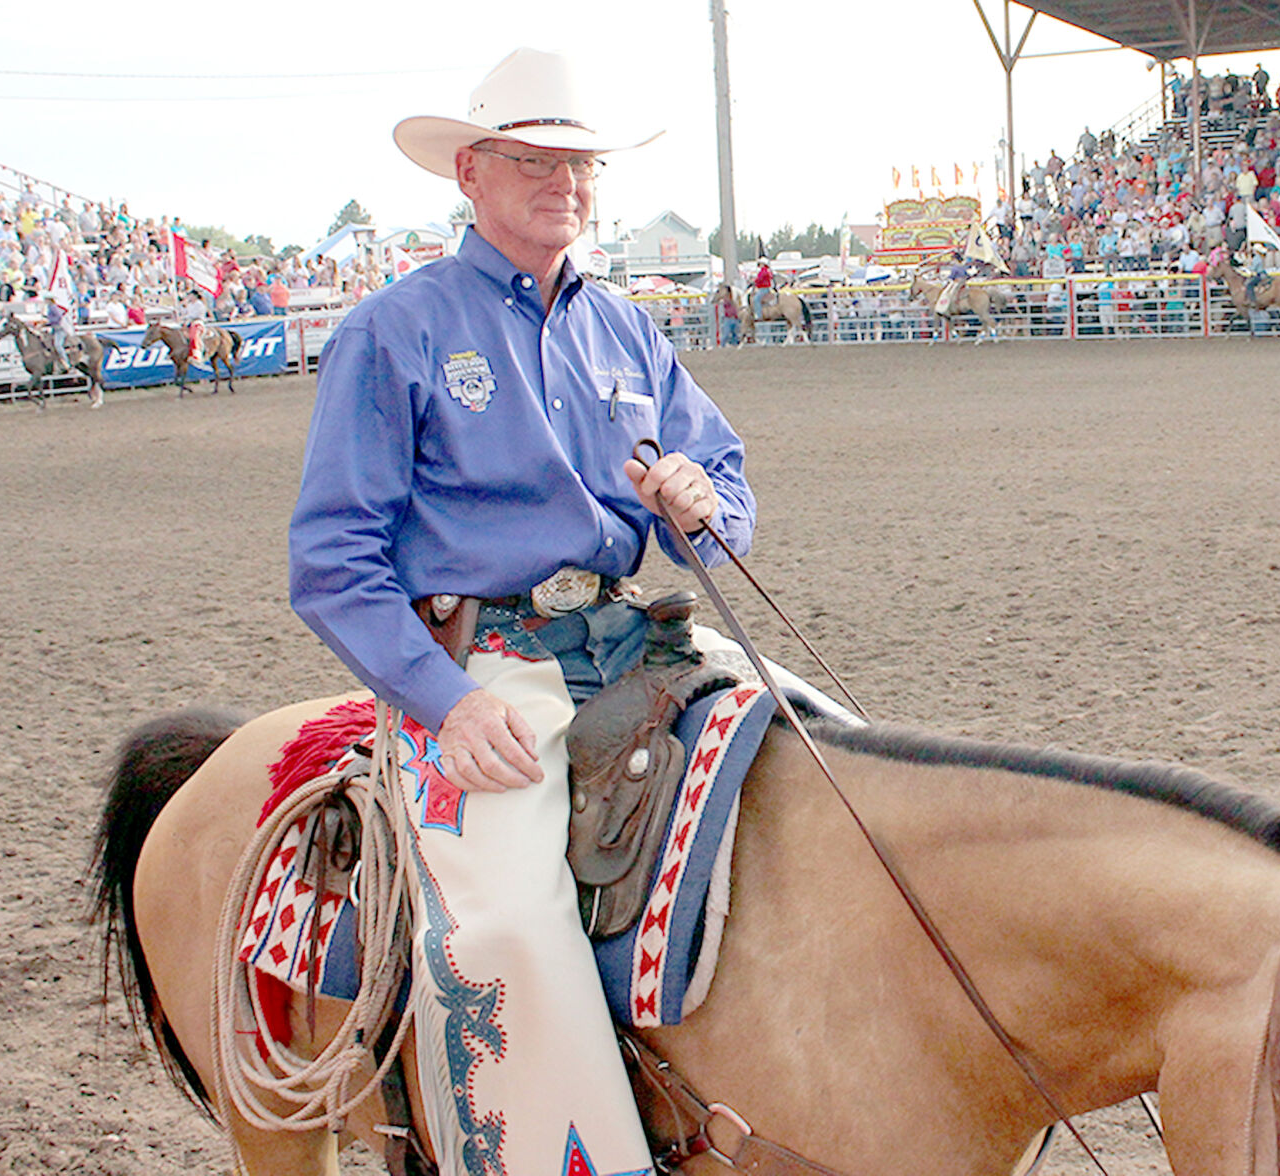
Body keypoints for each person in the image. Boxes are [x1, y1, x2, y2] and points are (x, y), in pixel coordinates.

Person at [289, 48, 752, 1176]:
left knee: (824, 750)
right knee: (501, 925)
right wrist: (445, 702)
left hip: (635, 636)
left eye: (581, 163)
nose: (565, 182)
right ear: (469, 172)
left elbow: (723, 490)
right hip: (485, 659)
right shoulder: (393, 330)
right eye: (534, 160)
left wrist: (700, 504)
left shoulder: (629, 330)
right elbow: (332, 558)